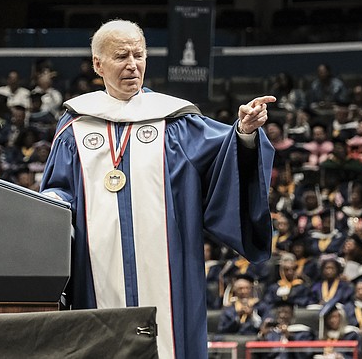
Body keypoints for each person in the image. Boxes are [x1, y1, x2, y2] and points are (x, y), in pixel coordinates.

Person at [40, 19, 275, 359]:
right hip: (96, 271)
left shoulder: (174, 120)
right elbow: (59, 192)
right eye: (121, 56)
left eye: (139, 54)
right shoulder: (76, 125)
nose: (132, 64)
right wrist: (52, 202)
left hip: (169, 268)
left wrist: (244, 132)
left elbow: (225, 159)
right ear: (98, 64)